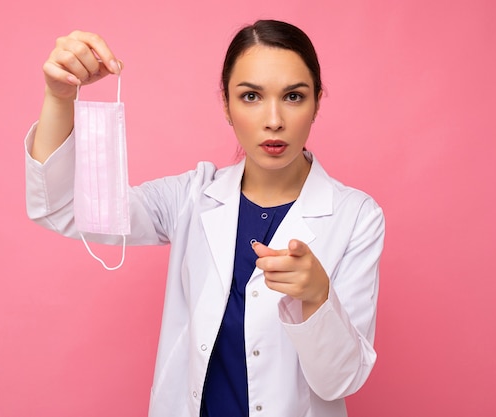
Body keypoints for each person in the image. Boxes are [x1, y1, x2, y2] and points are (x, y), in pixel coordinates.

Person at [25, 19, 385, 417]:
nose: (274, 119)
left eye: (294, 97)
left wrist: (318, 297)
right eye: (250, 96)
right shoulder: (191, 197)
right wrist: (59, 97)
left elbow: (340, 382)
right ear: (226, 106)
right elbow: (61, 209)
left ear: (317, 101)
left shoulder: (356, 217)